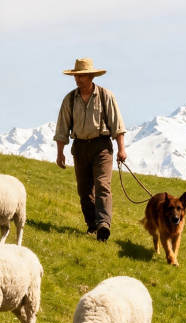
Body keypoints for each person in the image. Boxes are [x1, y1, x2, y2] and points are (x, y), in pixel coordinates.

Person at [54, 58, 126, 242]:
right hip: (79, 147)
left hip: (101, 146)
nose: (78, 80)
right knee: (84, 190)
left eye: (82, 76)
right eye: (76, 76)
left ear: (91, 76)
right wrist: (60, 152)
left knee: (103, 185)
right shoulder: (70, 99)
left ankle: (103, 224)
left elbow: (117, 124)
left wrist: (121, 150)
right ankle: (92, 225)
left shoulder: (105, 96)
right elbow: (62, 128)